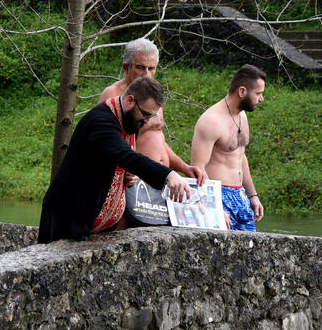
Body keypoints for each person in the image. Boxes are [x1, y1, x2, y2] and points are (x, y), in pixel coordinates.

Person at [38, 76, 195, 243]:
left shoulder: (129, 119)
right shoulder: (101, 121)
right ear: (129, 101)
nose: (146, 121)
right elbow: (126, 156)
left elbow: (115, 159)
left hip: (96, 226)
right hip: (67, 220)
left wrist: (126, 175)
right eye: (145, 115)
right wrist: (168, 176)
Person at [190, 64, 267, 231]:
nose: (261, 99)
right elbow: (197, 168)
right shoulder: (211, 121)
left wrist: (252, 195)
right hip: (218, 195)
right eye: (258, 94)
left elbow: (240, 156)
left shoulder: (242, 116)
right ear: (242, 92)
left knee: (250, 252)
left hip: (240, 195)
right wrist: (214, 207)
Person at [98, 38, 190, 171]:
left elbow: (159, 140)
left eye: (151, 68)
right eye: (140, 67)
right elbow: (106, 142)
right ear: (126, 67)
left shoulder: (152, 96)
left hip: (158, 177)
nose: (146, 74)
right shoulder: (113, 95)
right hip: (132, 177)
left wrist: (185, 168)